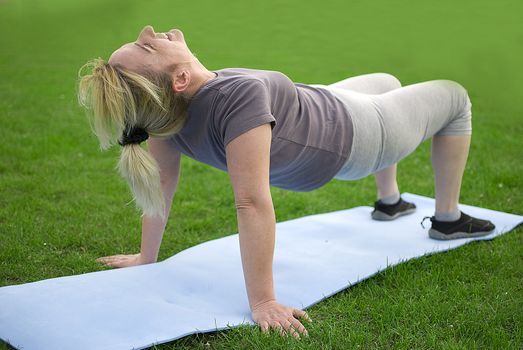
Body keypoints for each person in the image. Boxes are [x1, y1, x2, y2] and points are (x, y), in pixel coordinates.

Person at [77, 25, 495, 339]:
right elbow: (251, 203)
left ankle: (391, 202)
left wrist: (146, 257)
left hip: (324, 105)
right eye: (146, 46)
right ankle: (448, 219)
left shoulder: (164, 117)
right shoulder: (235, 96)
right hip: (357, 135)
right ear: (180, 79)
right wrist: (263, 301)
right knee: (455, 97)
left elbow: (160, 189)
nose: (148, 31)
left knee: (386, 81)